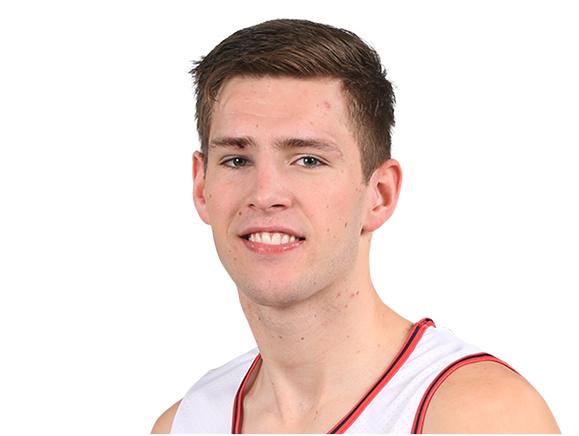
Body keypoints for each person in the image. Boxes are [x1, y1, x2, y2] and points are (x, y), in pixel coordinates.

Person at [153, 17, 560, 435]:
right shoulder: (184, 424)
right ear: (202, 187)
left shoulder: (480, 415)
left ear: (379, 195)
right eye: (237, 160)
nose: (265, 193)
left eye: (308, 159)